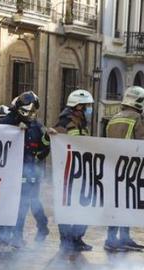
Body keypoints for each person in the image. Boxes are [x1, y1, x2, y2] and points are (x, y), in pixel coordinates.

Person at [0, 91, 50, 247]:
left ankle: (17, 236)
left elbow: (44, 149)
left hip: (29, 174)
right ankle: (1, 234)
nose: (30, 115)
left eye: (33, 111)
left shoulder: (37, 127)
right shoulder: (6, 122)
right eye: (27, 111)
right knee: (5, 204)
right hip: (8, 174)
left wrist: (47, 139)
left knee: (23, 206)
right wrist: (13, 128)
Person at [103, 85, 144, 252]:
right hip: (131, 168)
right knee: (126, 205)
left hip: (114, 168)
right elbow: (143, 143)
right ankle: (120, 238)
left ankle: (113, 238)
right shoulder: (137, 118)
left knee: (116, 204)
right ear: (139, 103)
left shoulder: (114, 118)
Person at [53, 89, 94, 253]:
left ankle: (77, 238)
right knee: (66, 207)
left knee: (85, 206)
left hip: (82, 172)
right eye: (87, 106)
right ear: (78, 107)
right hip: (67, 174)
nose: (89, 109)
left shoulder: (82, 125)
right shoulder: (63, 124)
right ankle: (66, 241)